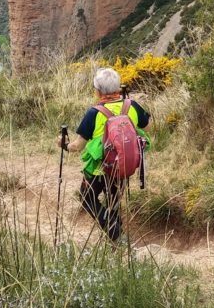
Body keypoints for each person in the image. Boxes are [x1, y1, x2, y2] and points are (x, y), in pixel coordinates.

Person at [59, 67, 150, 243]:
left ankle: (115, 233)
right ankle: (117, 231)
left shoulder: (94, 113)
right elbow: (147, 128)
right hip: (124, 163)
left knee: (87, 198)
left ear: (98, 91)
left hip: (99, 168)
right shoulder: (131, 106)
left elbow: (78, 146)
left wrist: (63, 145)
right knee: (114, 198)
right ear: (117, 88)